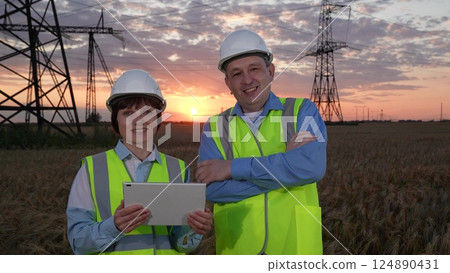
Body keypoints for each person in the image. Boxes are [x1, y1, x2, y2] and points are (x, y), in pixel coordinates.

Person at [195, 30, 327, 255]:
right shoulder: (215, 126)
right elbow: (213, 191)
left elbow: (311, 168)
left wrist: (232, 168)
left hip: (295, 249)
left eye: (254, 69)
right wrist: (286, 171)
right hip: (239, 252)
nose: (247, 80)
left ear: (271, 71)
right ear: (228, 83)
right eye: (236, 74)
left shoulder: (302, 111)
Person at [67, 69, 213, 255]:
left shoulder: (179, 168)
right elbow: (78, 242)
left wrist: (194, 228)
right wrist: (114, 226)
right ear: (115, 120)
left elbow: (181, 243)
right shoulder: (91, 169)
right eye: (128, 113)